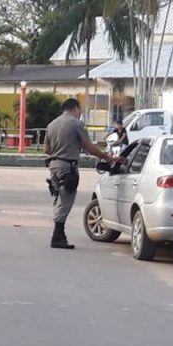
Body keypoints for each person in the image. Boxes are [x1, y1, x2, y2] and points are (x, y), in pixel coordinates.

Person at [45, 99, 116, 250]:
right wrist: (106, 157)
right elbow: (89, 147)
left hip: (53, 167)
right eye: (80, 110)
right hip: (68, 167)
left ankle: (59, 235)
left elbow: (47, 150)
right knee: (66, 201)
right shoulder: (76, 124)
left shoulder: (52, 124)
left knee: (59, 199)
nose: (80, 113)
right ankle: (57, 236)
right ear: (75, 109)